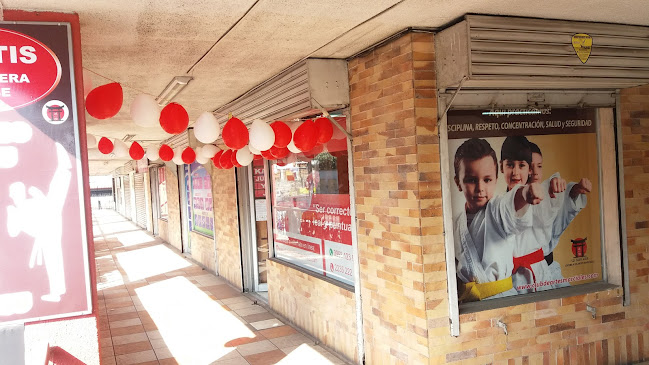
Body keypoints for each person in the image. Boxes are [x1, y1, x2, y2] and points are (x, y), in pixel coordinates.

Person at [453, 138, 545, 302]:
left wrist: (525, 193)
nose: (480, 188)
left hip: (502, 299)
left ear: (496, 179)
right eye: (471, 180)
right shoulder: (456, 223)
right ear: (458, 183)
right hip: (468, 300)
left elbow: (510, 204)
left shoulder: (496, 210)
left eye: (487, 180)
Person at [527, 141, 591, 290]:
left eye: (539, 166)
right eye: (530, 166)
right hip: (526, 277)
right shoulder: (505, 205)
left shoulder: (547, 194)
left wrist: (575, 190)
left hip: (550, 270)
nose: (535, 172)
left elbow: (561, 215)